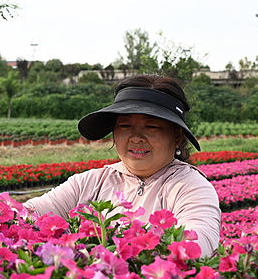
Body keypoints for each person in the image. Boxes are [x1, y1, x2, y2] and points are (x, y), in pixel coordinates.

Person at [24, 74, 222, 257]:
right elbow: (28, 214)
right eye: (125, 126)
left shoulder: (191, 187)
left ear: (177, 136)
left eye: (151, 126)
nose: (136, 138)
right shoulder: (90, 182)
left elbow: (198, 243)